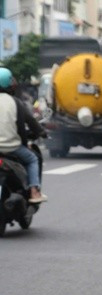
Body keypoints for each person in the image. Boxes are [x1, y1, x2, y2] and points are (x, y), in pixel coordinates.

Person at [0, 67, 48, 204]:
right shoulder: (16, 102)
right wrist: (42, 132)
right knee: (32, 158)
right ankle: (34, 191)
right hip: (11, 147)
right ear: (9, 84)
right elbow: (31, 122)